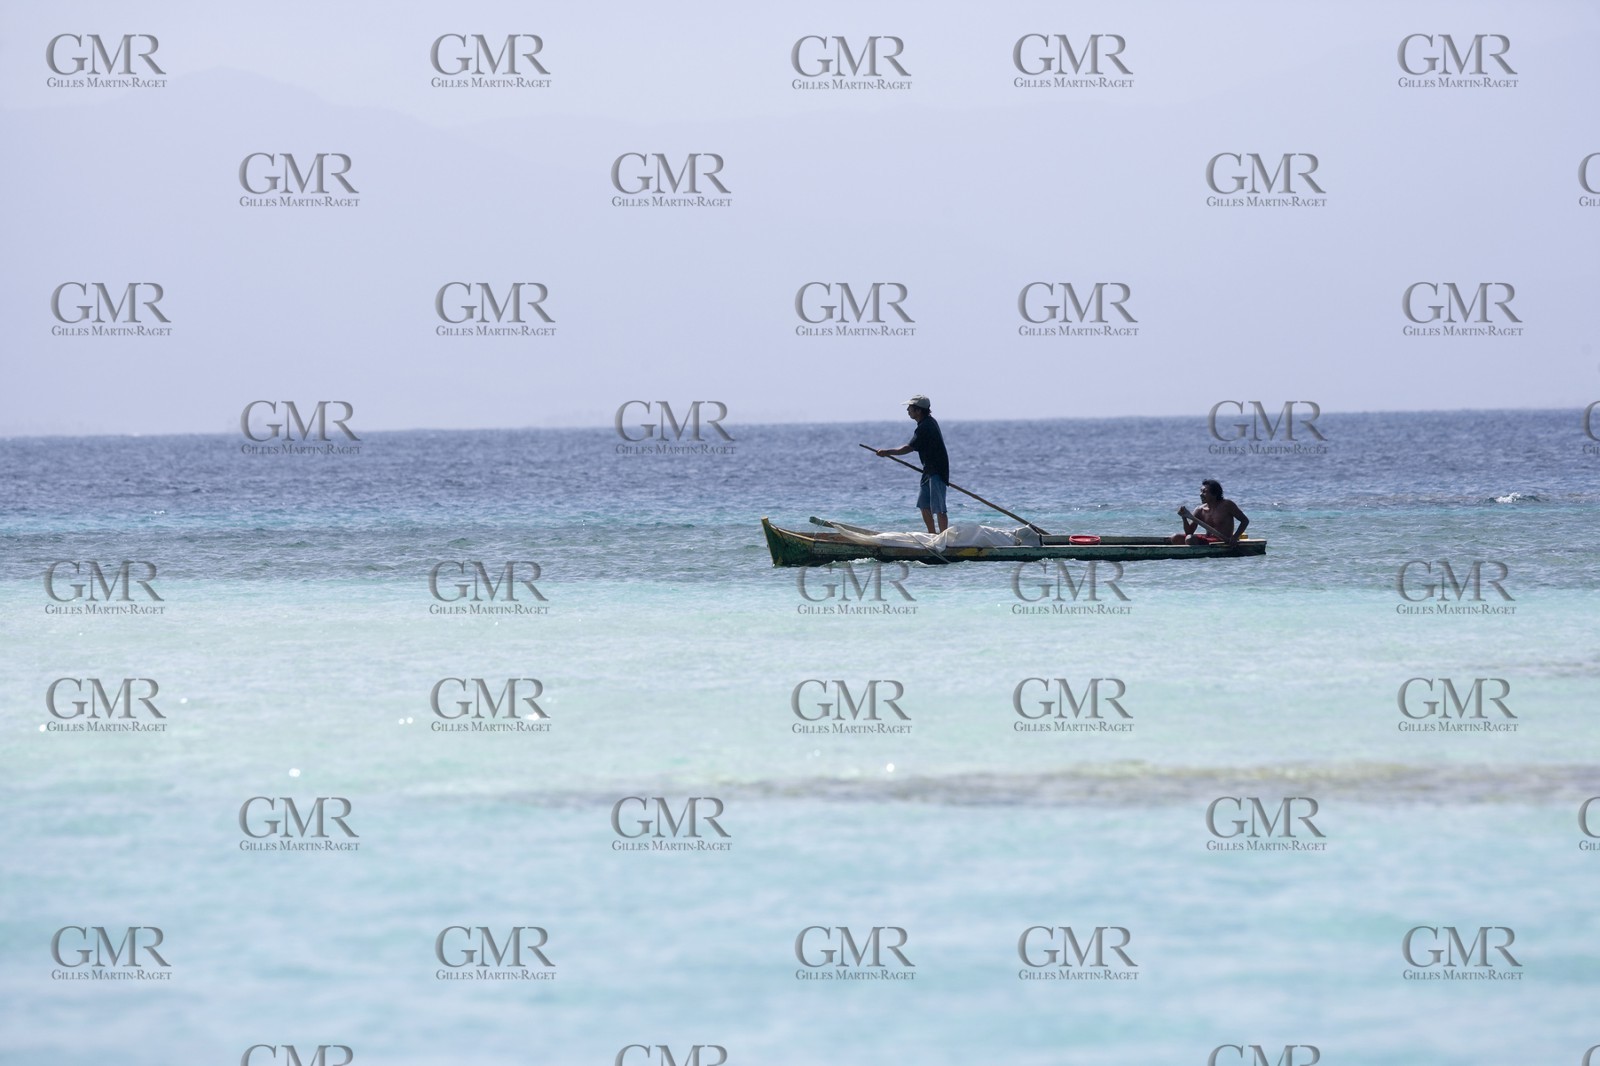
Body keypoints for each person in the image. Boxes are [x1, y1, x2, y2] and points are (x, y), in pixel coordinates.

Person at [875, 394, 949, 534]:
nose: (907, 410)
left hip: (937, 471)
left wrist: (887, 452)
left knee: (939, 508)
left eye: (910, 408)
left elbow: (908, 448)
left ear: (918, 411)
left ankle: (944, 539)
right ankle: (932, 535)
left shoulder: (926, 426)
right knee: (923, 505)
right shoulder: (925, 423)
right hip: (928, 470)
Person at [1172, 479, 1248, 546]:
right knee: (1175, 538)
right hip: (1208, 539)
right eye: (1201, 491)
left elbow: (1245, 521)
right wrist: (1184, 517)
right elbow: (1189, 532)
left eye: (1204, 492)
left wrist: (1235, 537)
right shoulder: (1200, 510)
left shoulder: (1227, 505)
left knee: (1189, 539)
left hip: (1222, 540)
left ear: (1214, 494)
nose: (1201, 494)